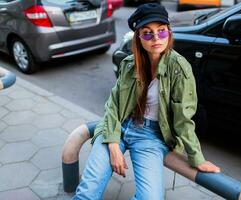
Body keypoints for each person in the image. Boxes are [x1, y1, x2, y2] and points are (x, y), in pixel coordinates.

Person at [73, 3, 220, 200]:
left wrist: (196, 157)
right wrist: (113, 143)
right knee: (87, 192)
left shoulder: (179, 68)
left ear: (169, 32)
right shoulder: (129, 64)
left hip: (151, 136)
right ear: (139, 38)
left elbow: (183, 119)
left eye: (161, 31)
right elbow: (113, 105)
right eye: (147, 33)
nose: (156, 38)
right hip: (118, 125)